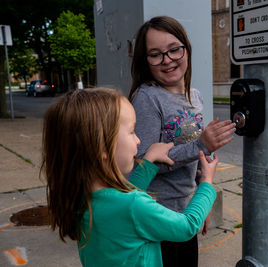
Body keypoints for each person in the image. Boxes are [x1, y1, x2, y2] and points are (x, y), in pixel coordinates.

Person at [42, 88, 219, 267]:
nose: (138, 140)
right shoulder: (133, 205)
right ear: (101, 147)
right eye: (132, 131)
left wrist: (148, 160)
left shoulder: (81, 199)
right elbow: (186, 226)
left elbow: (124, 198)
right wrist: (206, 183)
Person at [129, 16, 236, 267]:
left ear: (186, 48)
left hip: (186, 210)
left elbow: (198, 161)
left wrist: (203, 199)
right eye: (155, 54)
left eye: (174, 49)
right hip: (158, 216)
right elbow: (142, 164)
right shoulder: (147, 98)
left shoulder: (195, 96)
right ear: (146, 61)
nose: (167, 60)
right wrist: (202, 144)